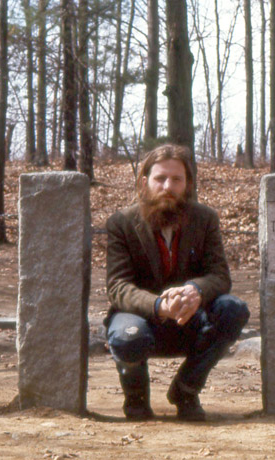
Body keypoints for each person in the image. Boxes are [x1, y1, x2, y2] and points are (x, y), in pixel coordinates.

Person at [105, 144, 250, 421]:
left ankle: (186, 389)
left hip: (192, 319)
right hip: (141, 319)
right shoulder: (121, 223)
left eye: (176, 179)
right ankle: (136, 397)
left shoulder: (205, 219)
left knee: (234, 309)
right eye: (160, 178)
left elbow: (220, 276)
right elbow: (118, 286)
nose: (168, 186)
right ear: (144, 182)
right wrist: (159, 305)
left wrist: (195, 291)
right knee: (126, 335)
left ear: (188, 184)